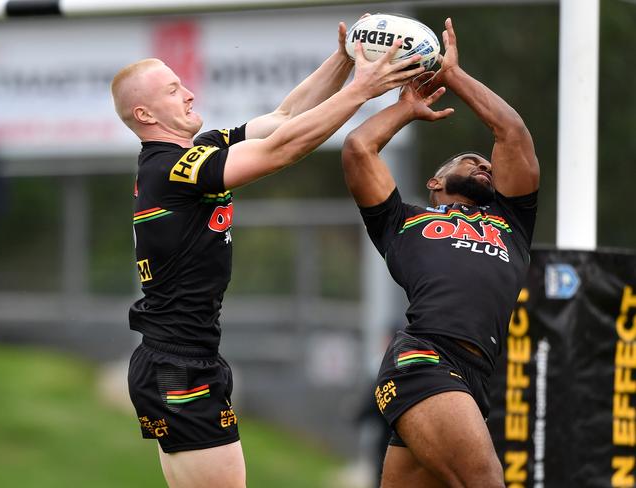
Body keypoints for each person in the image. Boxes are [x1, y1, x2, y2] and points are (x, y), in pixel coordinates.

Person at [110, 19, 425, 488]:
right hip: (180, 365)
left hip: (176, 359)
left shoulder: (195, 152)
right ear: (146, 115)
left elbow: (284, 116)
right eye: (174, 90)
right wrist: (362, 90)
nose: (189, 94)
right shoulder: (174, 168)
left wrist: (344, 58)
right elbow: (282, 149)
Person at [341, 18, 539, 488]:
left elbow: (509, 131)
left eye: (485, 162)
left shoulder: (510, 222)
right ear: (434, 183)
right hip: (424, 360)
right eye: (468, 160)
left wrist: (452, 75)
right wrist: (406, 109)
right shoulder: (403, 222)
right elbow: (358, 148)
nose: (483, 163)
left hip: (473, 378)